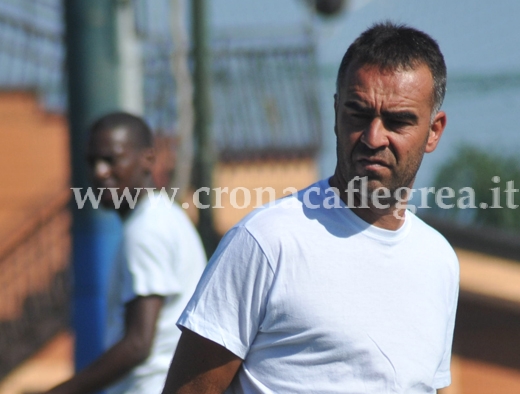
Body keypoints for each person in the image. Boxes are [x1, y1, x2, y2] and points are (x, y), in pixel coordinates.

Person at [163, 22, 459, 394]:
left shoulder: (439, 261)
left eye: (398, 121)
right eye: (358, 114)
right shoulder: (268, 241)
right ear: (336, 113)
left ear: (434, 131)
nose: (373, 137)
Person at [46, 112, 207, 394]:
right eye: (92, 161)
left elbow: (138, 344)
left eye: (111, 159)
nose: (99, 172)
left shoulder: (147, 229)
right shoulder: (164, 216)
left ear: (147, 158)